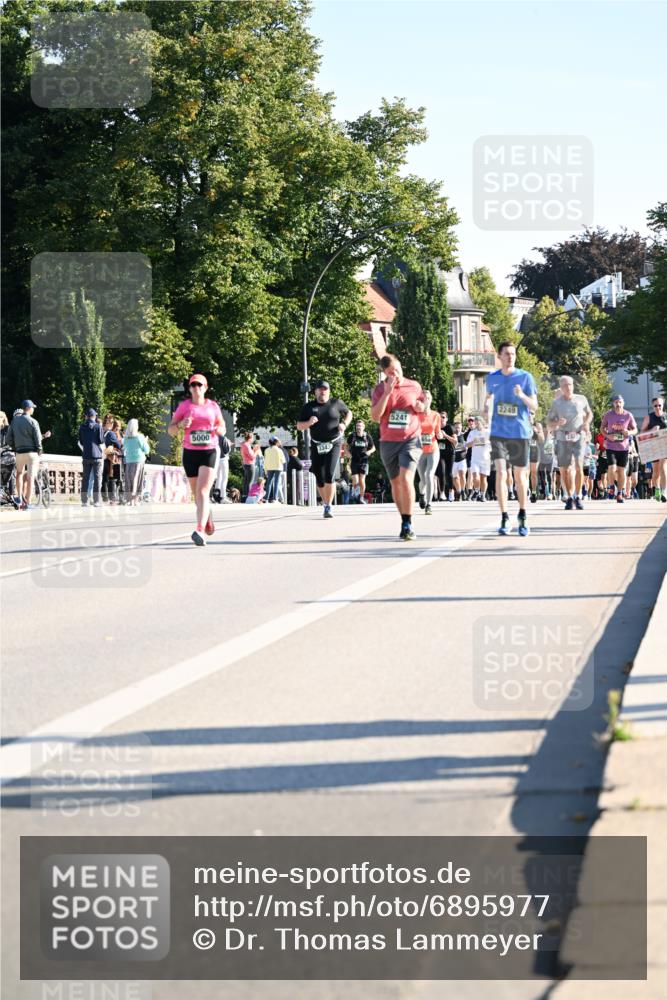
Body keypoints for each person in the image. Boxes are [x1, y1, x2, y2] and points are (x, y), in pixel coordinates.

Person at [484, 341, 538, 536]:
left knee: (519, 476)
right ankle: (504, 516)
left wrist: (522, 395)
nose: (510, 357)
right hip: (498, 432)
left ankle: (522, 515)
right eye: (506, 354)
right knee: (501, 473)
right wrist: (485, 408)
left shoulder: (525, 377)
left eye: (513, 354)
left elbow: (534, 406)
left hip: (519, 433)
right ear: (499, 356)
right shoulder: (492, 378)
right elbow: (488, 399)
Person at [370, 353, 425, 540]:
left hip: (411, 439)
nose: (396, 374)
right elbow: (375, 416)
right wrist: (387, 392)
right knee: (395, 483)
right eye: (391, 372)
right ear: (385, 373)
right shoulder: (379, 389)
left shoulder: (414, 386)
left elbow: (423, 405)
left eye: (398, 370)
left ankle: (409, 523)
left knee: (406, 478)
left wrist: (421, 407)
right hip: (388, 441)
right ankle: (403, 519)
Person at [168, 374, 225, 545]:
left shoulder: (213, 406)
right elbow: (170, 430)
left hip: (209, 452)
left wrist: (218, 429)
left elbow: (222, 427)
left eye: (199, 385)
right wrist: (180, 425)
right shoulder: (184, 406)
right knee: (197, 495)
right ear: (189, 388)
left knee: (202, 492)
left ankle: (199, 530)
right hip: (190, 453)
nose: (196, 387)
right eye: (193, 385)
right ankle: (207, 516)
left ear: (205, 387)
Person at [297, 379, 352, 519]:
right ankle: (325, 502)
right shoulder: (308, 407)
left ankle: (328, 505)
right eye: (320, 389)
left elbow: (349, 413)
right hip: (316, 444)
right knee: (319, 477)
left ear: (329, 391)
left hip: (334, 443)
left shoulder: (336, 403)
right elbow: (299, 426)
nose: (323, 391)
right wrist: (309, 423)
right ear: (315, 391)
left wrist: (344, 424)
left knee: (329, 473)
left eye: (325, 389)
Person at [546, 376, 593, 510]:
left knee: (578, 465)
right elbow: (549, 422)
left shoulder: (581, 399)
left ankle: (577, 496)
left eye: (570, 384)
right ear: (561, 388)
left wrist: (586, 423)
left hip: (578, 436)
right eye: (565, 385)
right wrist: (557, 422)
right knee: (565, 469)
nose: (568, 387)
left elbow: (589, 413)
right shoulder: (556, 403)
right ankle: (569, 496)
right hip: (562, 437)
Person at [600, 395, 638, 505]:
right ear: (613, 403)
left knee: (621, 471)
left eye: (620, 402)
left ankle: (620, 493)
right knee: (612, 468)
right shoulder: (608, 415)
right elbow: (602, 428)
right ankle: (612, 486)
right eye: (616, 402)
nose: (618, 404)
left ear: (623, 403)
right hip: (611, 446)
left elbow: (635, 429)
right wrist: (607, 436)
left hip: (623, 447)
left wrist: (629, 432)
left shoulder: (628, 415)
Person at [5, 400, 43, 509]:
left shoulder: (14, 421)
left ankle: (20, 499)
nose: (33, 409)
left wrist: (15, 447)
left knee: (19, 474)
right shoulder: (33, 421)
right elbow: (38, 439)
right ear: (29, 408)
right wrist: (39, 450)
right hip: (32, 453)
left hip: (19, 453)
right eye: (33, 408)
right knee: (30, 477)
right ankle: (28, 502)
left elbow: (8, 439)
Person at [416, 392, 442, 514]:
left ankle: (429, 504)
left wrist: (439, 434)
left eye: (428, 398)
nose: (426, 400)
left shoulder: (436, 415)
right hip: (420, 451)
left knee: (429, 475)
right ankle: (421, 494)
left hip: (433, 449)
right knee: (423, 480)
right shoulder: (416, 415)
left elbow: (438, 431)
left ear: (431, 400)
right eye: (424, 398)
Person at [641, 396, 667, 502]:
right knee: (655, 471)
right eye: (655, 405)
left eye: (659, 405)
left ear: (663, 405)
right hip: (653, 447)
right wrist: (652, 430)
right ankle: (657, 489)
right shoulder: (649, 418)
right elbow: (641, 433)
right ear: (653, 406)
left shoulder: (666, 416)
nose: (658, 407)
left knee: (663, 468)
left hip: (664, 446)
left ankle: (664, 492)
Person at [78, 407, 105, 506]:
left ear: (86, 416)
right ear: (94, 416)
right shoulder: (98, 426)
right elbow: (101, 440)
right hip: (96, 455)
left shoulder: (81, 427)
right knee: (97, 478)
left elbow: (81, 441)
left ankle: (84, 501)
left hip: (86, 455)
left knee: (85, 478)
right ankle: (96, 501)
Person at [346, 419, 375, 503]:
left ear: (363, 427)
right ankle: (355, 493)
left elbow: (373, 448)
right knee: (355, 480)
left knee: (362, 480)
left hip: (364, 461)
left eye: (360, 426)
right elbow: (346, 446)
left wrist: (369, 451)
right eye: (357, 426)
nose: (358, 427)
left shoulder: (367, 436)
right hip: (354, 460)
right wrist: (348, 453)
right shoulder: (352, 436)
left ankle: (361, 497)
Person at [122, 418, 150, 504]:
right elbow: (146, 450)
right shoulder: (139, 437)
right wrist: (145, 441)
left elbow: (125, 448)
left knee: (129, 479)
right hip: (138, 460)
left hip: (129, 461)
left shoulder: (125, 438)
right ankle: (135, 499)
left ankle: (129, 499)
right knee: (137, 480)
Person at [466, 415, 491, 501]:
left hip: (485, 459)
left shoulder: (488, 432)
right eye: (475, 423)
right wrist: (473, 442)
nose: (476, 424)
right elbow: (467, 445)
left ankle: (483, 495)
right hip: (475, 459)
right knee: (475, 476)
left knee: (483, 478)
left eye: (478, 422)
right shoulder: (472, 433)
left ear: (482, 422)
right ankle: (476, 490)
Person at [436, 410, 456, 501]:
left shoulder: (449, 427)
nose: (441, 419)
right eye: (440, 417)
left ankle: (451, 492)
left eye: (443, 417)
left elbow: (455, 441)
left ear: (446, 419)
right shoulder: (436, 427)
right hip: (440, 453)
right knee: (441, 472)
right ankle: (442, 493)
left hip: (450, 452)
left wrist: (445, 435)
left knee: (449, 473)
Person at [102, 418, 123, 504]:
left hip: (107, 457)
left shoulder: (104, 432)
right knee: (111, 478)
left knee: (107, 478)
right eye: (116, 426)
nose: (118, 428)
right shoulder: (111, 433)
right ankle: (111, 498)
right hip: (111, 458)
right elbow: (119, 445)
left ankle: (107, 498)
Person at [264, 435, 286, 503]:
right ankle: (275, 498)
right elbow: (283, 460)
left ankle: (266, 498)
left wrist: (265, 470)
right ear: (276, 442)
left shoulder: (266, 450)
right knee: (277, 482)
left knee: (269, 482)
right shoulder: (279, 450)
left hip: (269, 467)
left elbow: (265, 461)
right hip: (278, 467)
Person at [214, 429, 232, 503]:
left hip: (216, 459)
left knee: (219, 478)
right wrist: (229, 444)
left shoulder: (213, 437)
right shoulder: (223, 438)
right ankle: (223, 496)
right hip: (223, 459)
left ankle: (216, 496)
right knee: (224, 478)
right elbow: (226, 450)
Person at [240, 432, 259, 500]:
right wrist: (256, 451)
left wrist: (253, 450)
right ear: (250, 438)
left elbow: (248, 455)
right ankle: (248, 497)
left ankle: (244, 496)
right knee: (249, 482)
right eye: (252, 438)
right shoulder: (247, 445)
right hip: (250, 464)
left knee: (246, 481)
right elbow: (252, 457)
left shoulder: (243, 445)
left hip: (246, 464)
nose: (253, 440)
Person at [451, 421, 467, 500]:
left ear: (461, 428)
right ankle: (459, 491)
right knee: (455, 478)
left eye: (459, 427)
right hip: (453, 460)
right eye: (456, 427)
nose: (457, 429)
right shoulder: (452, 436)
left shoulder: (464, 435)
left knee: (462, 474)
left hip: (462, 459)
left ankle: (463, 491)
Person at [528, 422, 543, 502]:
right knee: (525, 473)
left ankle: (534, 492)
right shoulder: (522, 422)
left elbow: (542, 439)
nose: (530, 416)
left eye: (532, 415)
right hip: (524, 450)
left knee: (533, 473)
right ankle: (525, 491)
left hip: (534, 451)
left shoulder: (538, 425)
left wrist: (536, 432)